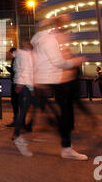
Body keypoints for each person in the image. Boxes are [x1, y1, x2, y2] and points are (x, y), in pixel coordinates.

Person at [32, 15, 87, 160]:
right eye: (60, 26)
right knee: (66, 114)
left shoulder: (41, 40)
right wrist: (76, 61)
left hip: (45, 80)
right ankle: (66, 147)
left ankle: (62, 136)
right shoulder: (50, 41)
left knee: (63, 114)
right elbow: (58, 62)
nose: (62, 29)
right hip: (54, 80)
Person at [12, 41, 36, 157]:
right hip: (25, 86)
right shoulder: (25, 56)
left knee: (24, 110)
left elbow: (18, 70)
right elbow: (26, 72)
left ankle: (18, 133)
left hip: (23, 85)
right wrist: (26, 86)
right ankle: (16, 134)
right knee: (23, 111)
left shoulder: (21, 55)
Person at [5, 47, 18, 127]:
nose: (10, 55)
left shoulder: (15, 59)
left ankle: (16, 120)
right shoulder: (18, 59)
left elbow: (14, 70)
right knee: (17, 103)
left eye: (10, 53)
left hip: (15, 83)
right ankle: (18, 120)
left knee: (15, 102)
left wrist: (8, 68)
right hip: (17, 82)